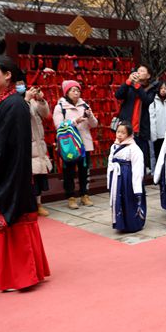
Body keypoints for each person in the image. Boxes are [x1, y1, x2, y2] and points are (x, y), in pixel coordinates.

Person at [0, 56, 50, 291]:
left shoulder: (15, 105)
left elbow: (11, 147)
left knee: (13, 217)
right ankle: (3, 273)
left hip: (9, 170)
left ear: (7, 75)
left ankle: (21, 275)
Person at [53, 80, 98, 210]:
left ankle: (84, 195)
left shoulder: (85, 105)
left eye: (78, 90)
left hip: (84, 144)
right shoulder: (60, 107)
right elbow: (59, 126)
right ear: (66, 92)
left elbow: (94, 124)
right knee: (69, 172)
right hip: (70, 146)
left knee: (84, 171)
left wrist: (90, 116)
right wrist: (75, 121)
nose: (76, 93)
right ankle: (71, 197)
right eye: (73, 90)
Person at [114, 64, 158, 173]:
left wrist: (137, 85)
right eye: (138, 70)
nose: (139, 72)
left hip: (140, 128)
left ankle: (140, 180)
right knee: (125, 156)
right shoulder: (130, 86)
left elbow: (147, 100)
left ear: (148, 76)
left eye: (142, 71)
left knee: (139, 158)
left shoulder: (152, 88)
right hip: (126, 126)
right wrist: (128, 82)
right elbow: (118, 95)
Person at [108, 121, 146, 233]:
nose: (119, 134)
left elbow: (137, 168)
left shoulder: (134, 148)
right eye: (118, 132)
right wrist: (109, 178)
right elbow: (110, 162)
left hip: (128, 178)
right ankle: (120, 223)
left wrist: (137, 188)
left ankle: (132, 224)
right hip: (117, 177)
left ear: (129, 134)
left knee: (129, 200)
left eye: (123, 133)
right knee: (118, 200)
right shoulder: (114, 146)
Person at [21, 81, 52, 217]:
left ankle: (38, 204)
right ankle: (28, 206)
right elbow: (20, 116)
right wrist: (26, 100)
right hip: (25, 144)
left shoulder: (33, 102)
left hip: (38, 144)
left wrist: (40, 100)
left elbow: (45, 114)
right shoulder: (14, 101)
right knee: (27, 178)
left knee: (38, 177)